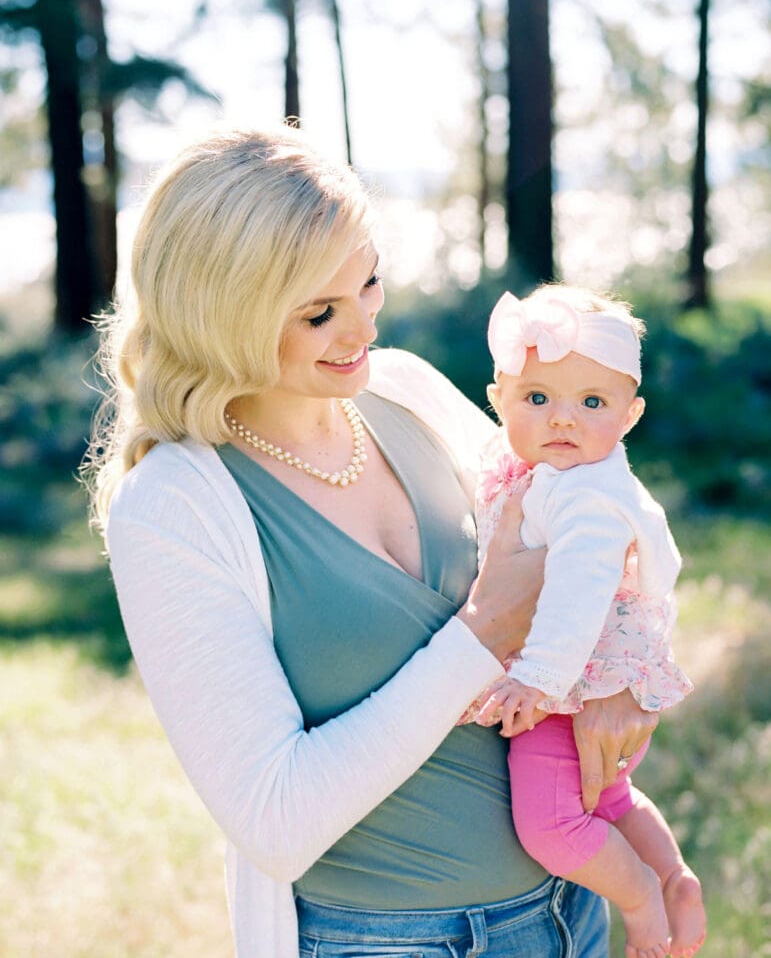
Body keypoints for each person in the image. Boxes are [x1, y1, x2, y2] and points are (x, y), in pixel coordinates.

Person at [85, 125, 659, 958]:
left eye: (369, 285)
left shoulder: (404, 390)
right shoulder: (174, 506)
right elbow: (275, 820)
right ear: (222, 313)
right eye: (319, 312)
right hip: (394, 941)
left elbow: (590, 508)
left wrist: (620, 675)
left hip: (572, 907)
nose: (360, 329)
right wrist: (480, 636)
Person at [462, 285, 706, 958]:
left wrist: (535, 679)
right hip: (597, 686)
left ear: (629, 416)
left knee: (551, 826)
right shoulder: (547, 474)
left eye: (590, 403)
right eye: (537, 399)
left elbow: (574, 592)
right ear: (498, 401)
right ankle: (672, 873)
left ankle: (639, 898)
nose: (561, 419)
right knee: (610, 799)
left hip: (570, 690)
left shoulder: (586, 496)